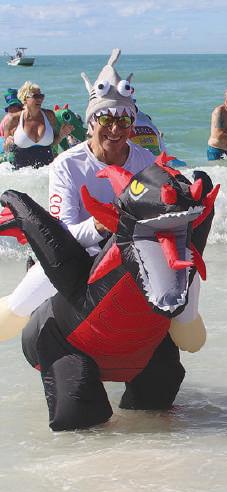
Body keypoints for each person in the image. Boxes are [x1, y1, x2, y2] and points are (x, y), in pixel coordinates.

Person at [2, 49, 203, 350]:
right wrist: (99, 225)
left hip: (134, 254)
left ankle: (186, 326)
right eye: (106, 118)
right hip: (79, 255)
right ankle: (11, 313)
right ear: (91, 123)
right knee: (48, 269)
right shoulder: (66, 165)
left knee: (188, 267)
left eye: (124, 121)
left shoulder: (145, 160)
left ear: (132, 124)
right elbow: (60, 235)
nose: (115, 129)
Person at [2, 81, 73, 169]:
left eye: (41, 96)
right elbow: (6, 149)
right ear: (25, 98)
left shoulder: (49, 115)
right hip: (22, 173)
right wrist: (8, 143)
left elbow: (53, 142)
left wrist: (61, 135)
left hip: (47, 170)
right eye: (35, 96)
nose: (40, 99)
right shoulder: (13, 119)